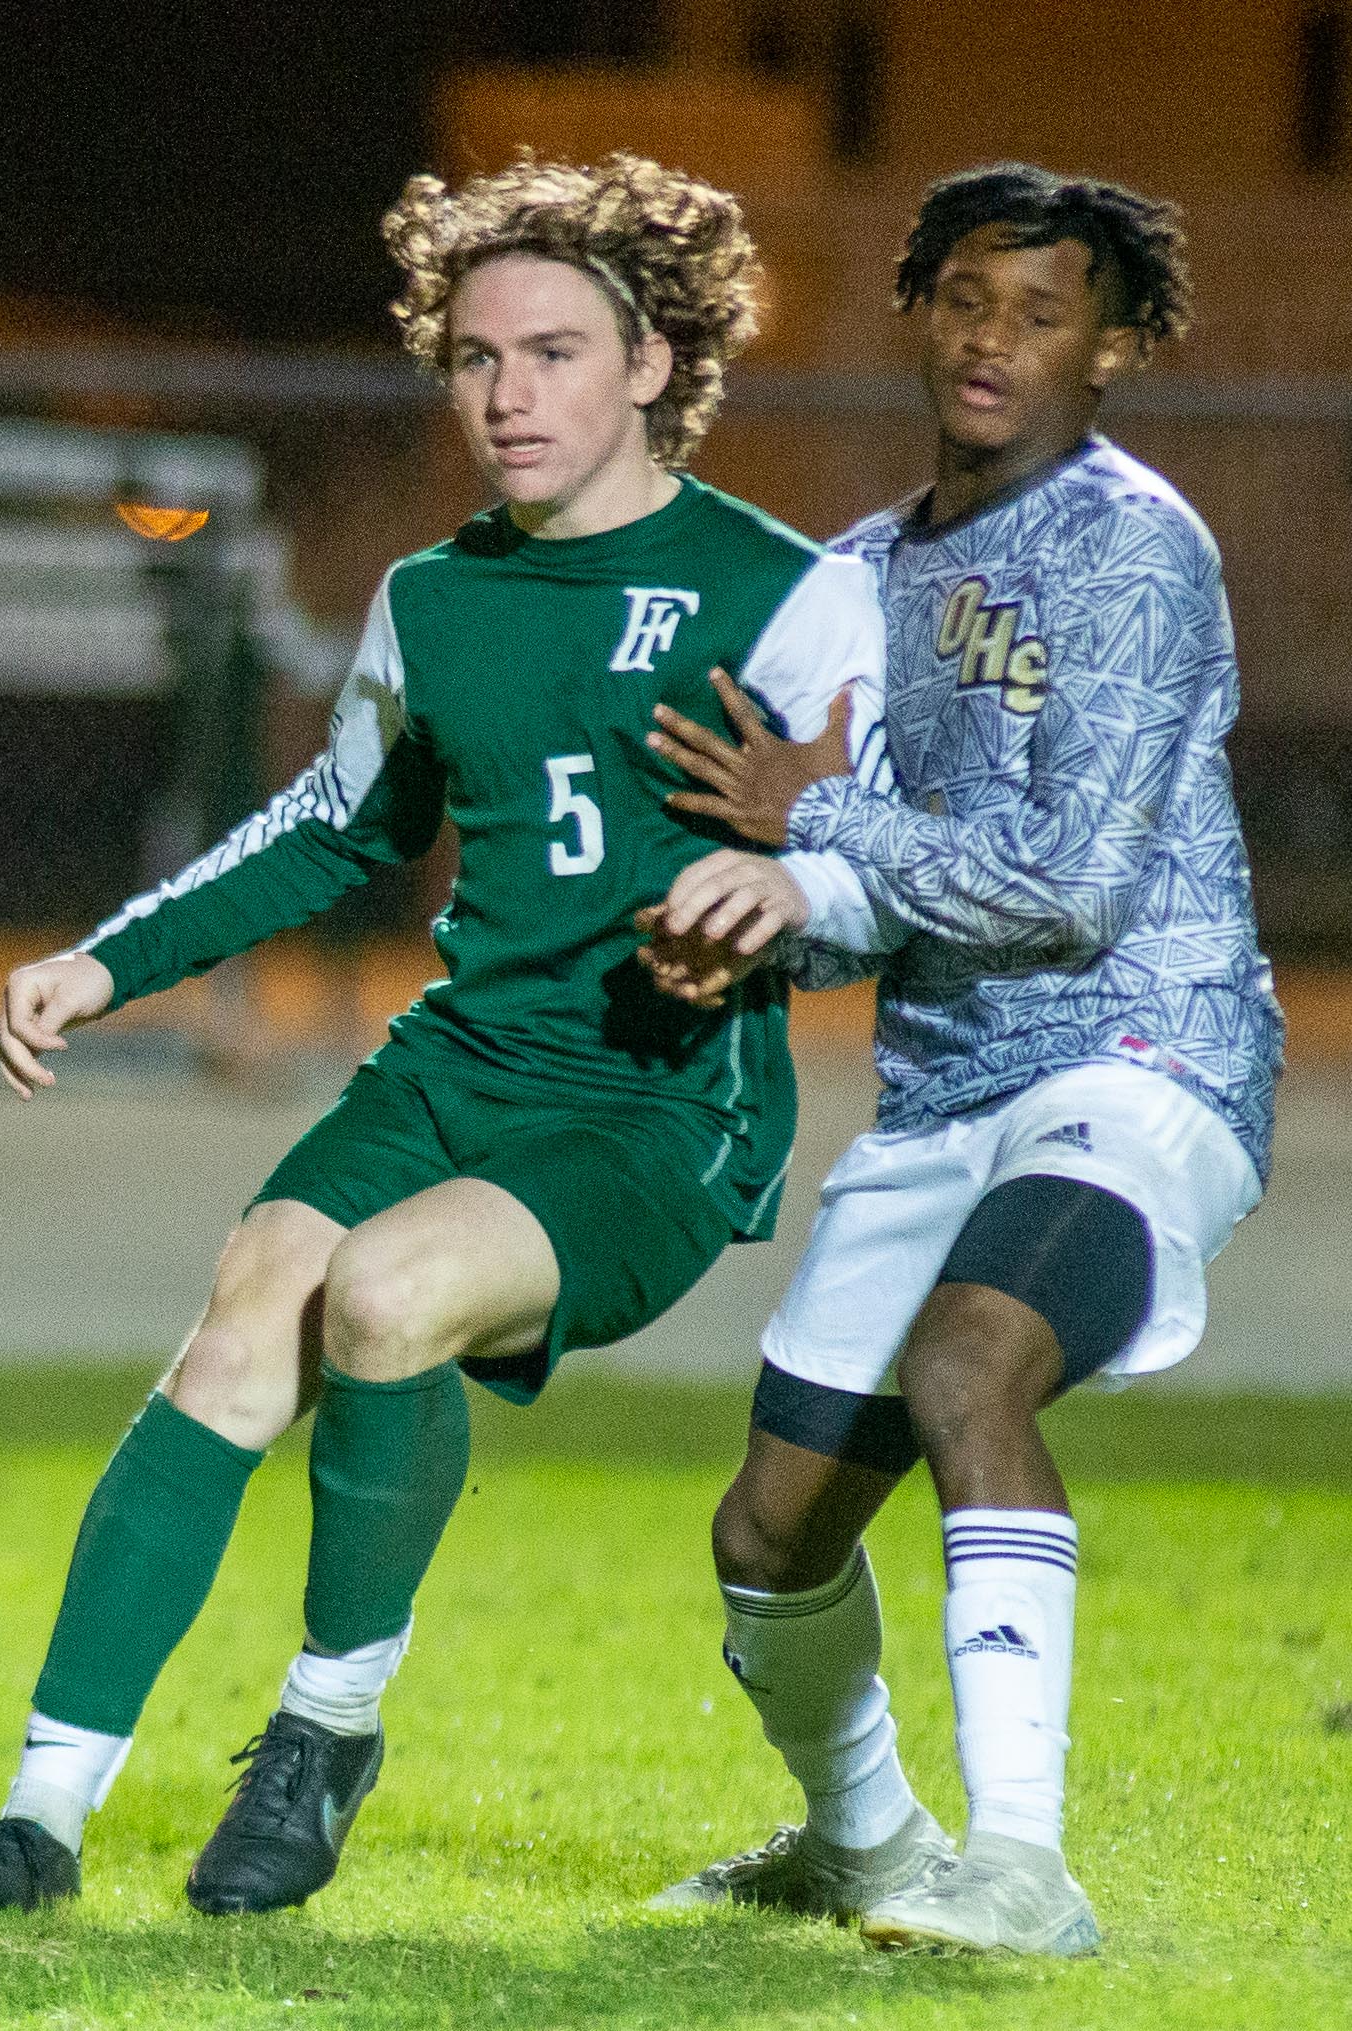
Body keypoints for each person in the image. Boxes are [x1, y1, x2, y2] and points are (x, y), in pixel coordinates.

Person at [0, 152, 889, 1915]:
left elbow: (890, 861)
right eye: (476, 356)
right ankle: (36, 1824)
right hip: (457, 1062)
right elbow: (334, 823)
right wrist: (100, 965)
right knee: (244, 1304)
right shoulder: (435, 597)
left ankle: (322, 1731)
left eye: (556, 353)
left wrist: (783, 909)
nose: (507, 394)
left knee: (384, 1297)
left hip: (655, 1110)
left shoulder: (785, 596)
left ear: (652, 363)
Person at [635, 163, 1284, 1958]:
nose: (993, 342)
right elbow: (859, 890)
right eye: (966, 301)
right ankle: (860, 1842)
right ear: (917, 312)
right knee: (766, 1539)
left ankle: (1020, 1865)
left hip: (1137, 1049)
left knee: (965, 1364)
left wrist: (815, 813)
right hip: (939, 1095)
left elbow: (1072, 887)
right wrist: (755, 927)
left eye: (1043, 311)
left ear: (1115, 346)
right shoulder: (849, 576)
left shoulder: (1132, 549)